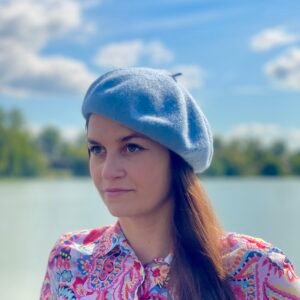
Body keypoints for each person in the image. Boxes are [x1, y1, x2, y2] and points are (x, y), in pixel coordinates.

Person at [40, 67, 300, 299]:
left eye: (131, 147)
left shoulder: (257, 269)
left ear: (177, 159)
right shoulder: (69, 261)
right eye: (97, 149)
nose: (108, 171)